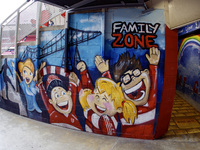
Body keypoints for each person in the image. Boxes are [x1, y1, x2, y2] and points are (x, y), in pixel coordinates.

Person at [95, 47, 160, 138]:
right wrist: (105, 73)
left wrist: (154, 66)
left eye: (136, 73)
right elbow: (113, 92)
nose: (132, 79)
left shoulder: (151, 101)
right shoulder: (122, 106)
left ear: (146, 72)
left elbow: (152, 86)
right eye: (126, 79)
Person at [77, 61, 137, 136]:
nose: (98, 98)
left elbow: (112, 92)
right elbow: (88, 89)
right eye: (96, 93)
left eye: (104, 99)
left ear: (118, 109)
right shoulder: (90, 110)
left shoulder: (110, 119)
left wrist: (105, 72)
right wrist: (84, 72)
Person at [38, 65, 83, 131]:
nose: (61, 96)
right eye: (57, 95)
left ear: (68, 93)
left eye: (63, 93)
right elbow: (44, 95)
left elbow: (72, 90)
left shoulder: (71, 107)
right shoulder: (52, 109)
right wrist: (40, 83)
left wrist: (72, 80)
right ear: (51, 101)